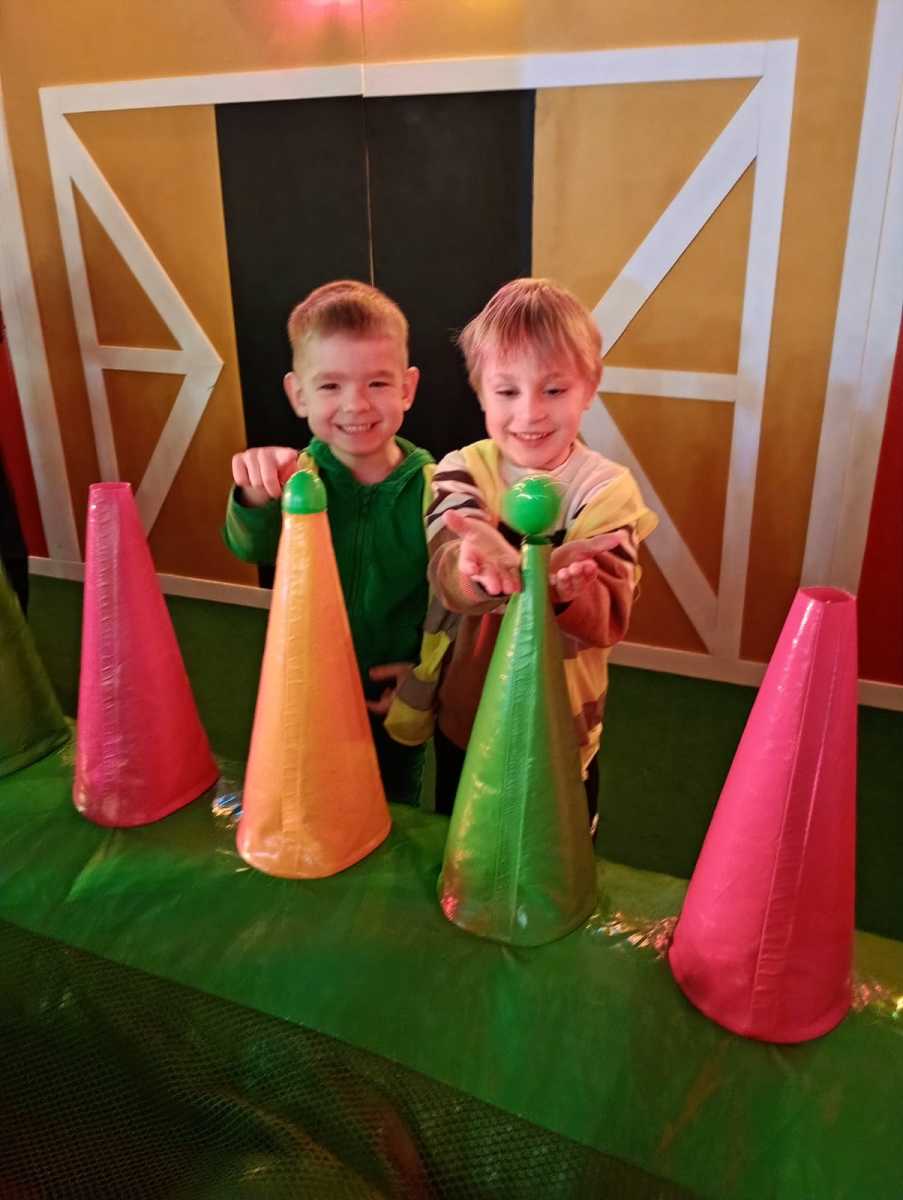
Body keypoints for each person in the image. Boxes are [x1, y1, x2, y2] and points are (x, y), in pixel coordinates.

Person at [388, 278, 657, 829]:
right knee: (464, 838)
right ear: (480, 392)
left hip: (562, 725)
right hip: (468, 715)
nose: (529, 414)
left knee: (559, 851)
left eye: (553, 390)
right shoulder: (462, 469)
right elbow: (446, 569)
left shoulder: (608, 490)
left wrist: (560, 588)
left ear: (589, 388)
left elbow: (609, 616)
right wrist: (477, 568)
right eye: (507, 392)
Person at [223, 280, 434, 805]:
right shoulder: (296, 478)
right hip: (304, 687)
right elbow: (250, 548)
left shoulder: (438, 490)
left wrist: (426, 678)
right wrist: (255, 494)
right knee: (303, 799)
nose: (355, 405)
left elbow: (456, 607)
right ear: (298, 395)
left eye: (378, 383)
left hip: (390, 696)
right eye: (330, 386)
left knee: (392, 807)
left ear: (408, 389)